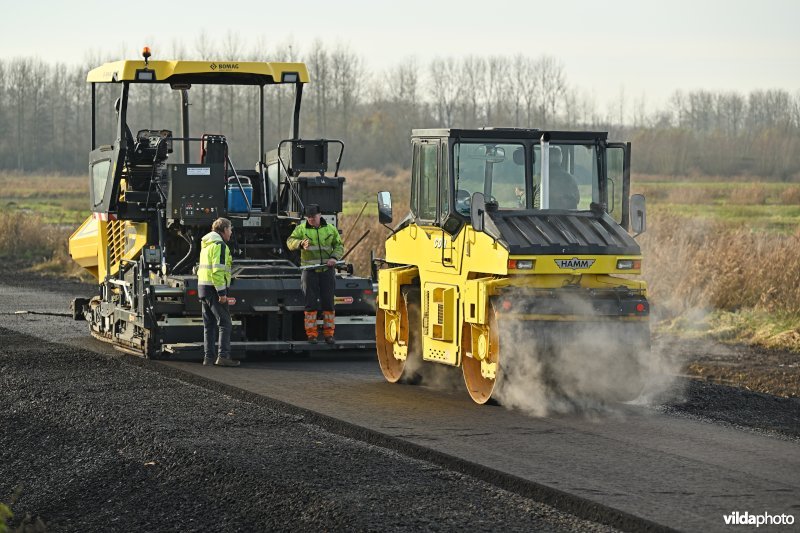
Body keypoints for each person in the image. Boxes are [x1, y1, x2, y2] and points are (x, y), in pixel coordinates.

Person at [286, 204, 344, 344]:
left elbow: (339, 245)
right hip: (309, 271)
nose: (310, 219)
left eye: (313, 217)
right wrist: (300, 244)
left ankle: (328, 334)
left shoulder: (330, 229)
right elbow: (289, 242)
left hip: (327, 270)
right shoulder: (301, 229)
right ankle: (311, 335)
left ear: (320, 215)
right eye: (308, 217)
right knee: (310, 304)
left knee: (328, 303)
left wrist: (334, 258)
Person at [198, 217, 239, 367]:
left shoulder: (207, 244)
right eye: (230, 229)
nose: (231, 232)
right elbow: (217, 271)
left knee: (209, 325)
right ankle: (223, 356)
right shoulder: (220, 245)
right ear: (224, 230)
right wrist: (222, 294)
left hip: (203, 287)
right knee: (225, 323)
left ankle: (208, 358)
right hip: (214, 290)